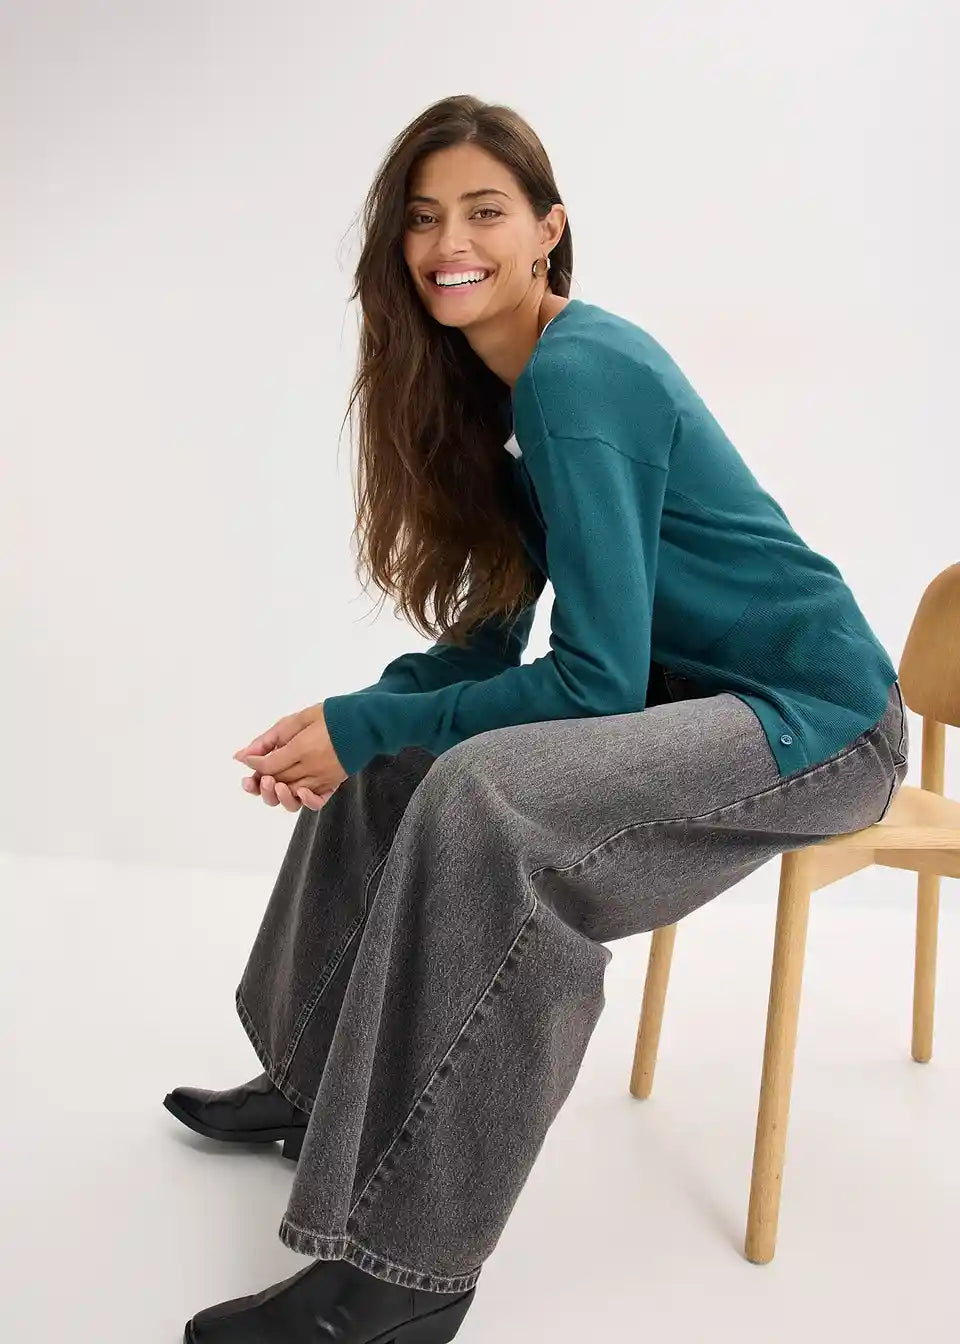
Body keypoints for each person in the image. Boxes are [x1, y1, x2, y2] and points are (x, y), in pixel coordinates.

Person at [165, 94, 909, 1343]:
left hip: (816, 724)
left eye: (484, 211)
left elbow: (597, 682)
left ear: (549, 231)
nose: (449, 241)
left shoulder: (579, 372)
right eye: (423, 218)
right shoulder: (491, 391)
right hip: (694, 705)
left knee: (486, 802)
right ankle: (314, 1081)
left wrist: (367, 726)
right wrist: (356, 724)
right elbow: (489, 647)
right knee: (413, 754)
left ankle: (406, 1274)